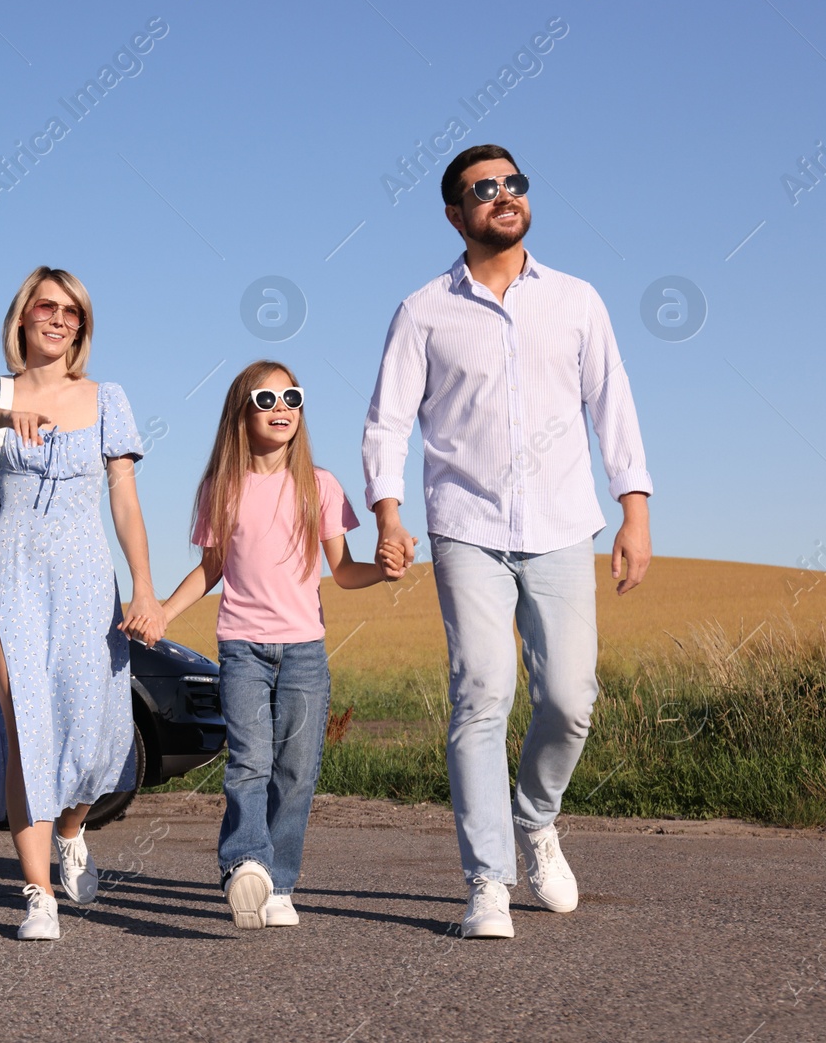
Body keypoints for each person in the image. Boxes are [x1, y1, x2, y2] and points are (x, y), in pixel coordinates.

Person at [362, 143, 654, 939]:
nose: (503, 195)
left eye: (513, 183)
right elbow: (388, 421)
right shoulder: (424, 309)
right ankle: (486, 882)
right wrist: (388, 513)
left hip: (561, 524)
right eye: (482, 189)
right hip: (466, 526)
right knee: (481, 693)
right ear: (455, 214)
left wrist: (635, 507)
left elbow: (612, 403)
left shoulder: (577, 300)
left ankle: (537, 820)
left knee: (570, 698)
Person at [159, 361, 410, 929]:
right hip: (242, 648)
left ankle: (279, 885)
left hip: (303, 653)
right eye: (266, 398)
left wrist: (386, 571)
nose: (281, 408)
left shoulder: (319, 486)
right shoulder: (220, 488)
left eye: (291, 396)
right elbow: (210, 569)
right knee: (250, 761)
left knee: (296, 770)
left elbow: (342, 572)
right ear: (240, 413)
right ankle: (246, 863)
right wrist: (165, 611)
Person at [0, 266, 165, 941]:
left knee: (94, 726)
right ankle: (37, 892)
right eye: (46, 306)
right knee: (25, 727)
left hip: (82, 571)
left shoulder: (107, 396)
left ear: (82, 326)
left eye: (71, 311)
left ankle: (73, 828)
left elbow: (124, 497)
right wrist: (6, 413)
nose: (58, 318)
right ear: (23, 317)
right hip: (10, 567)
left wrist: (143, 585)